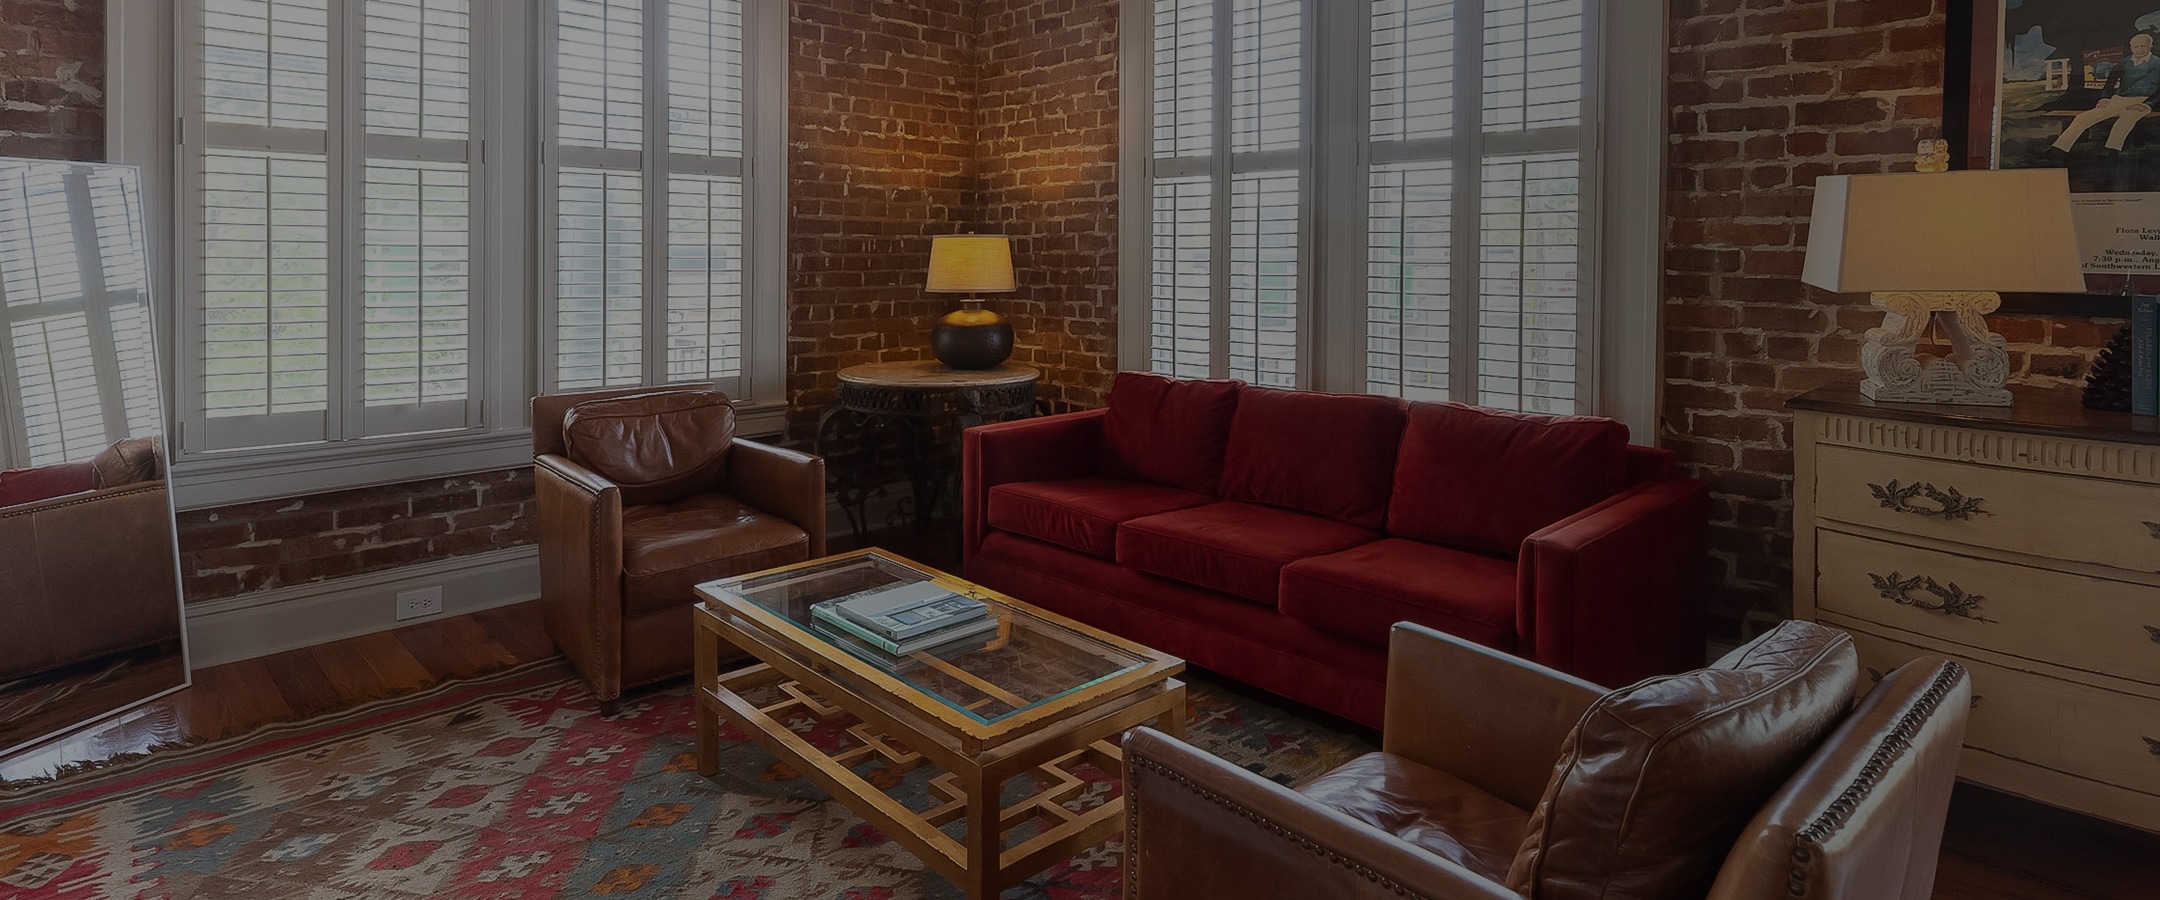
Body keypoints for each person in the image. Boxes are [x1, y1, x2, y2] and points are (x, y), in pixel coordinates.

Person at [2053, 32, 2160, 153]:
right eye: (2136, 46)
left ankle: (2112, 152)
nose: (2139, 49)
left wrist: (2147, 104)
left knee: (2125, 120)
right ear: (2131, 47)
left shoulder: (2157, 63)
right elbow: (2110, 82)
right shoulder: (2124, 62)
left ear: (2150, 47)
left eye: (2143, 46)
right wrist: (2104, 98)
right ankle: (2059, 149)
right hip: (2119, 99)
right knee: (2083, 117)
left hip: (2142, 100)